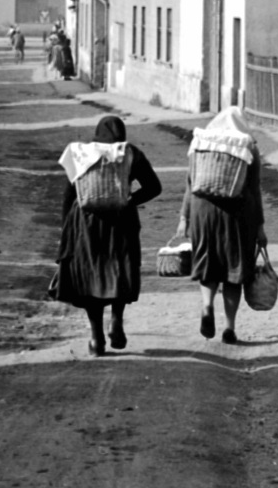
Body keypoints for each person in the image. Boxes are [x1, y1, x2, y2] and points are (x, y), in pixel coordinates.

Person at [51, 116, 162, 356]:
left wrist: (65, 230)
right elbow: (154, 187)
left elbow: (69, 195)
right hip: (121, 223)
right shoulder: (131, 153)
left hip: (85, 225)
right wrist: (131, 200)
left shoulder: (79, 154)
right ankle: (116, 321)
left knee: (90, 276)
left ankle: (96, 337)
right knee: (119, 272)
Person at [179, 107, 266, 344]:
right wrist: (259, 228)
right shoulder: (248, 147)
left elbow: (190, 182)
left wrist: (184, 217)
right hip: (237, 214)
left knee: (208, 262)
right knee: (233, 270)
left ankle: (207, 306)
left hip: (202, 211)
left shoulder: (200, 143)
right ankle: (229, 327)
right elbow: (254, 189)